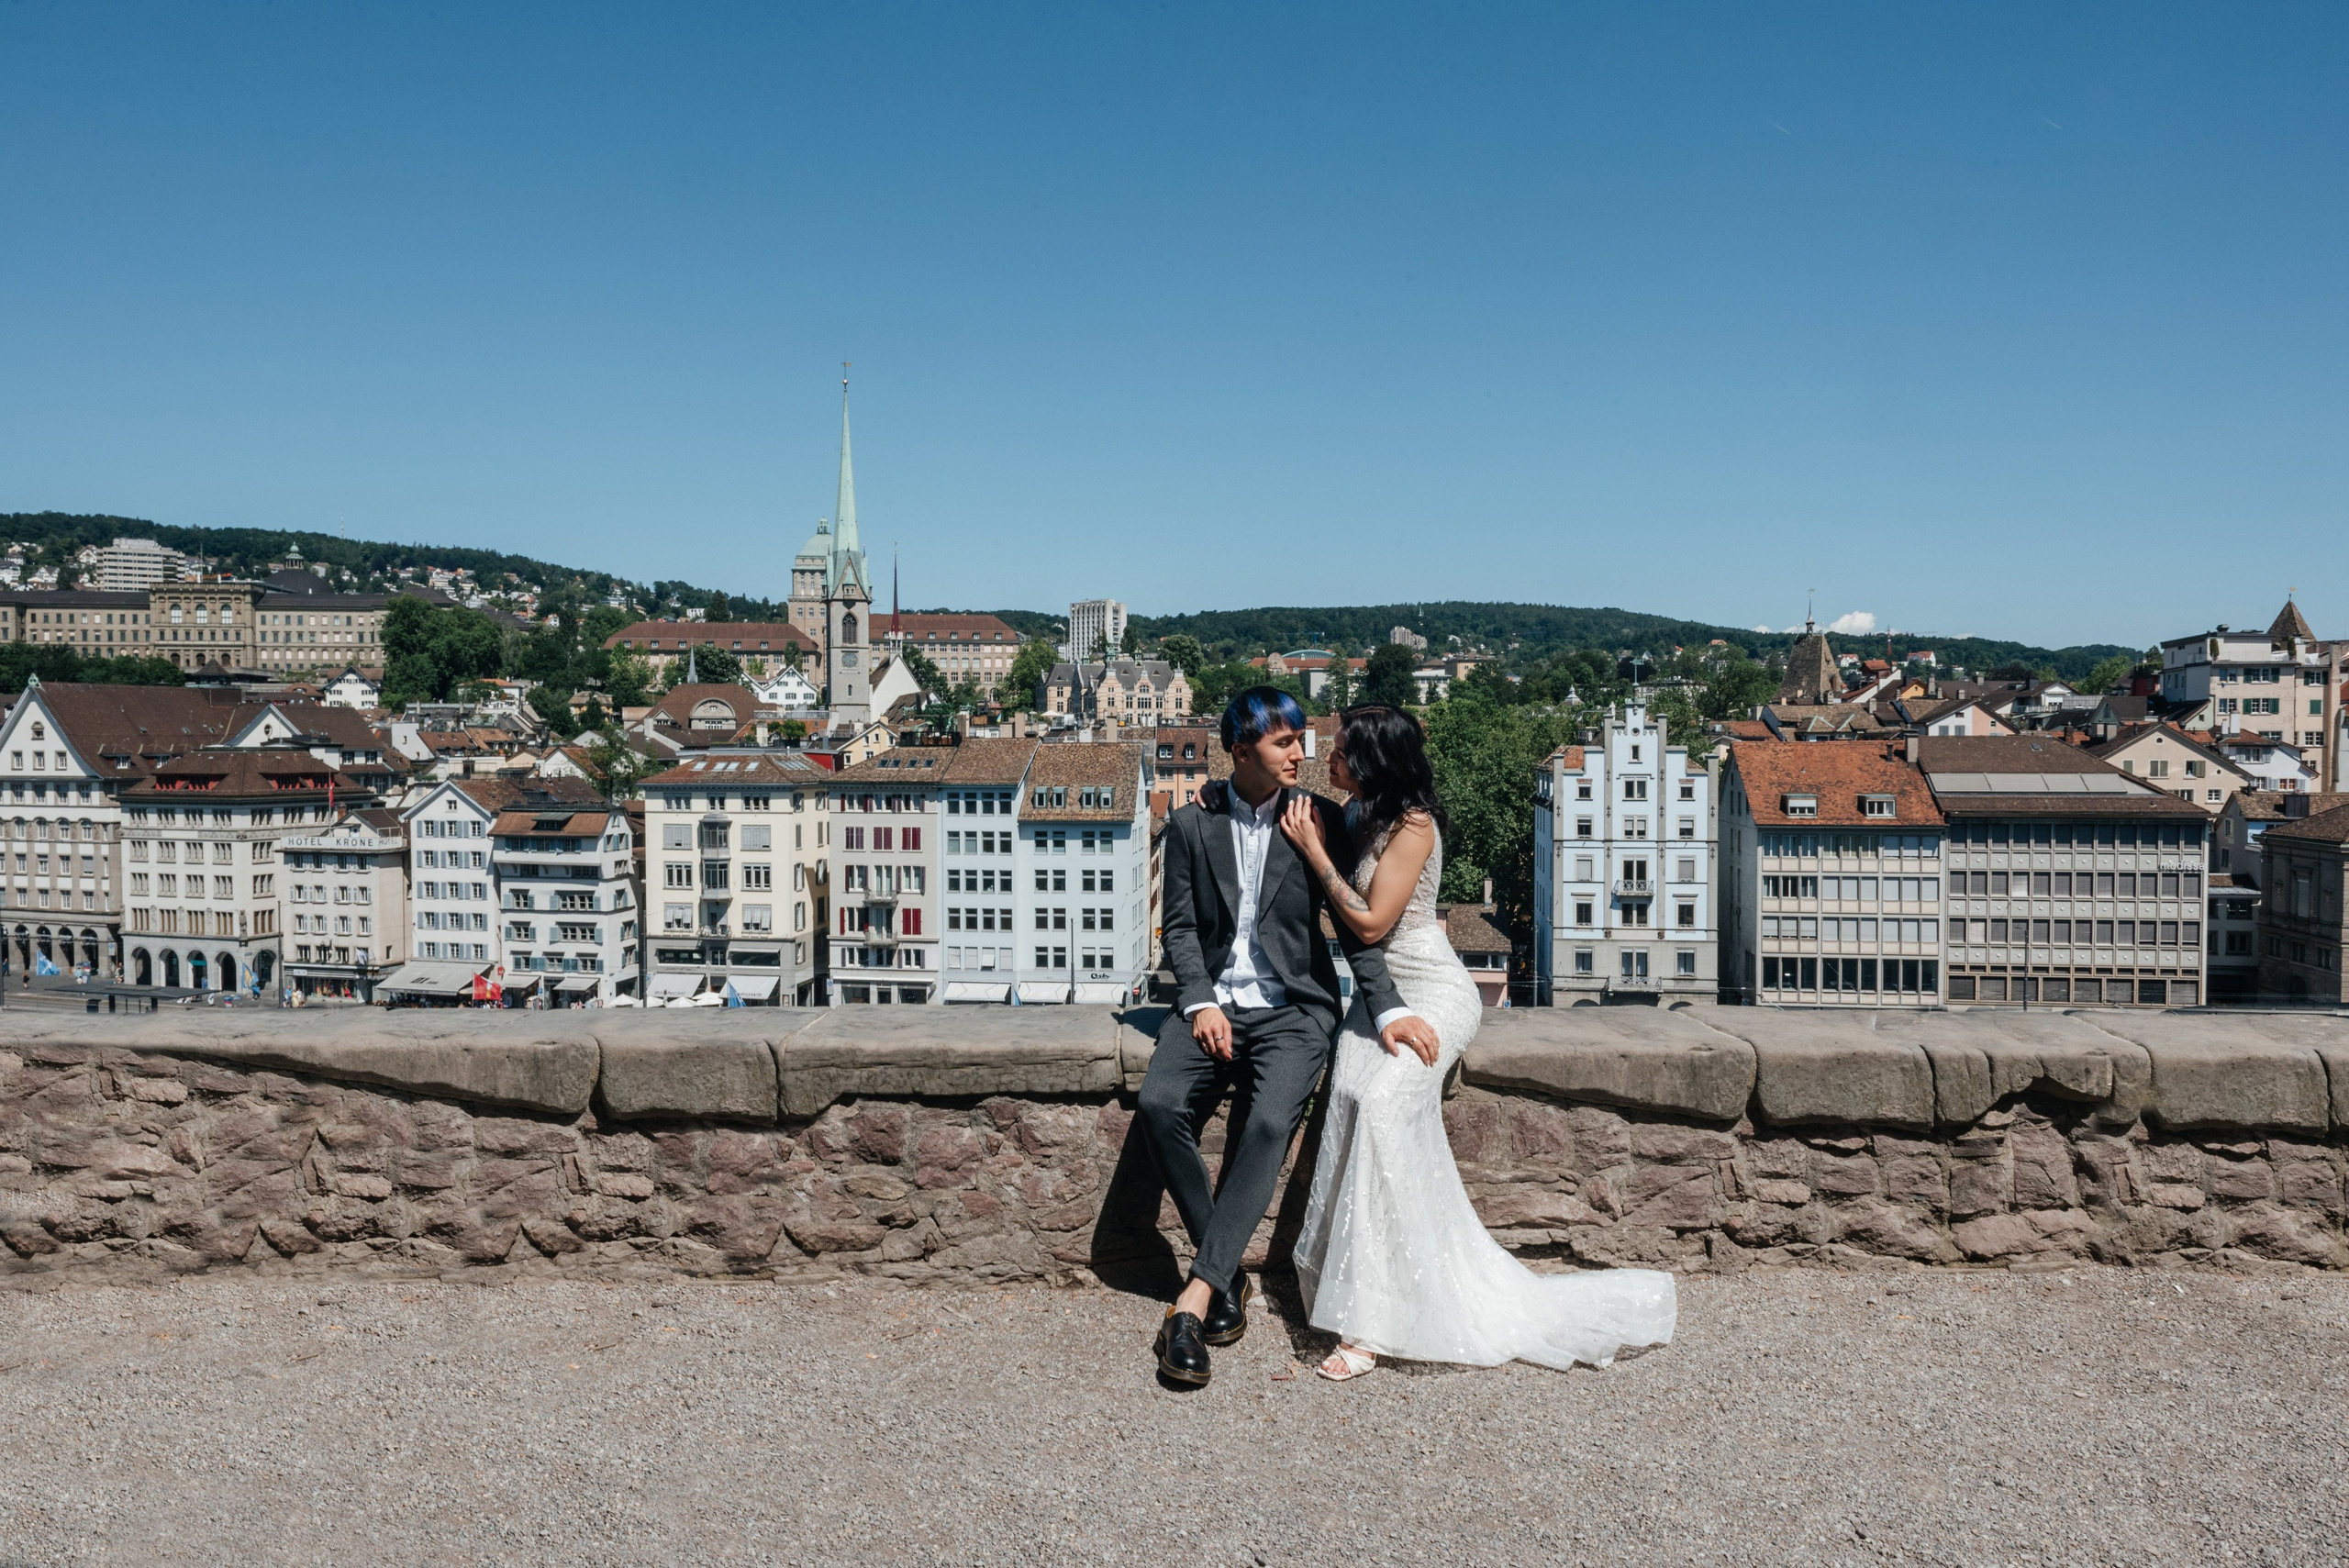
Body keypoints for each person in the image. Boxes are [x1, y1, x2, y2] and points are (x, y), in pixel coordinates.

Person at [1283, 704, 1677, 1381]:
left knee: (1381, 1107)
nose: (1330, 759)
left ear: (1374, 761)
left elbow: (1372, 925)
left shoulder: (1413, 826)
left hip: (1434, 991)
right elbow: (1286, 799)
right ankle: (1365, 1286)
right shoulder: (1357, 809)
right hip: (1379, 998)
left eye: (1342, 750)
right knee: (1347, 1095)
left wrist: (1315, 854)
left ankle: (1372, 1322)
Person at [1136, 688, 1436, 1387]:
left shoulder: (1319, 819)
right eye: (1285, 742)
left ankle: (1194, 1300)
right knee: (1158, 1104)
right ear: (1241, 752)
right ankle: (1224, 1274)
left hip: (1294, 1011)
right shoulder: (1192, 821)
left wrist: (1386, 1009)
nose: (1302, 752)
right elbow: (1179, 928)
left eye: (1302, 738)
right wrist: (1200, 1001)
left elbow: (1355, 924)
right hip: (1213, 1004)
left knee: (1271, 1120)